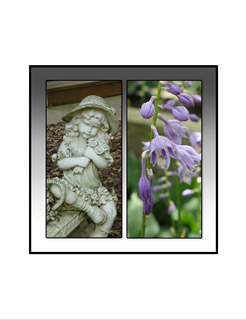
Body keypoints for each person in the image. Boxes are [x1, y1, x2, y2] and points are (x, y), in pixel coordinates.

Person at [48, 95, 119, 237]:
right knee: (54, 188)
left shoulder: (98, 145)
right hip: (71, 186)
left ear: (100, 128)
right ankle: (90, 210)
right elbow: (61, 163)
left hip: (93, 189)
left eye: (94, 127)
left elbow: (104, 165)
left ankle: (95, 238)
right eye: (86, 124)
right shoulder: (69, 142)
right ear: (77, 121)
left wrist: (92, 155)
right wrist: (79, 160)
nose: (89, 130)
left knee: (111, 212)